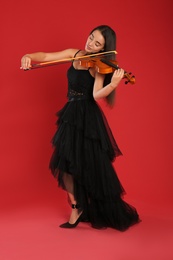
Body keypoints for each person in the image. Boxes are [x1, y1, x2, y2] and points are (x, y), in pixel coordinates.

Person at [21, 25, 140, 231]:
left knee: (90, 166)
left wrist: (114, 84)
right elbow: (47, 56)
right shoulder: (74, 54)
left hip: (88, 117)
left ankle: (94, 208)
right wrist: (28, 56)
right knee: (65, 163)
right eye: (91, 37)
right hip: (71, 113)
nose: (91, 43)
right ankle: (77, 207)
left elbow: (95, 95)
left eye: (97, 44)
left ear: (104, 48)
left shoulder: (97, 66)